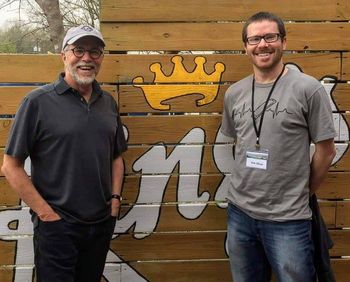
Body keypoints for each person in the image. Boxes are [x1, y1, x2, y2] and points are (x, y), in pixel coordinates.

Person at [1, 25, 127, 282]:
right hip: (57, 227)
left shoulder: (108, 103)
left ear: (101, 58)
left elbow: (116, 156)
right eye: (78, 50)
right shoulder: (37, 102)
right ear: (64, 55)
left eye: (95, 52)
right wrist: (46, 215)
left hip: (100, 223)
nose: (87, 58)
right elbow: (10, 166)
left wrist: (115, 200)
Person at [220, 12, 336, 282]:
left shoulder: (309, 89)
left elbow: (326, 150)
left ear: (283, 41)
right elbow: (238, 144)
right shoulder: (234, 93)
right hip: (240, 214)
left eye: (270, 37)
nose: (263, 44)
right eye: (255, 39)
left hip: (288, 219)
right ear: (246, 47)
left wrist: (303, 192)